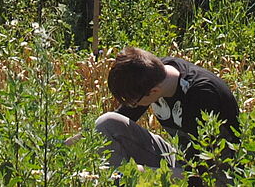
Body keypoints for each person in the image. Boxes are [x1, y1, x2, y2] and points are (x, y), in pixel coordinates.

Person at [95, 48, 240, 185]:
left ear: (154, 91)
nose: (133, 107)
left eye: (134, 103)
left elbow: (203, 173)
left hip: (215, 172)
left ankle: (119, 180)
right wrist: (77, 144)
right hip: (182, 158)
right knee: (106, 124)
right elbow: (121, 116)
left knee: (130, 174)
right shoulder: (154, 73)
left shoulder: (202, 94)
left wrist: (142, 173)